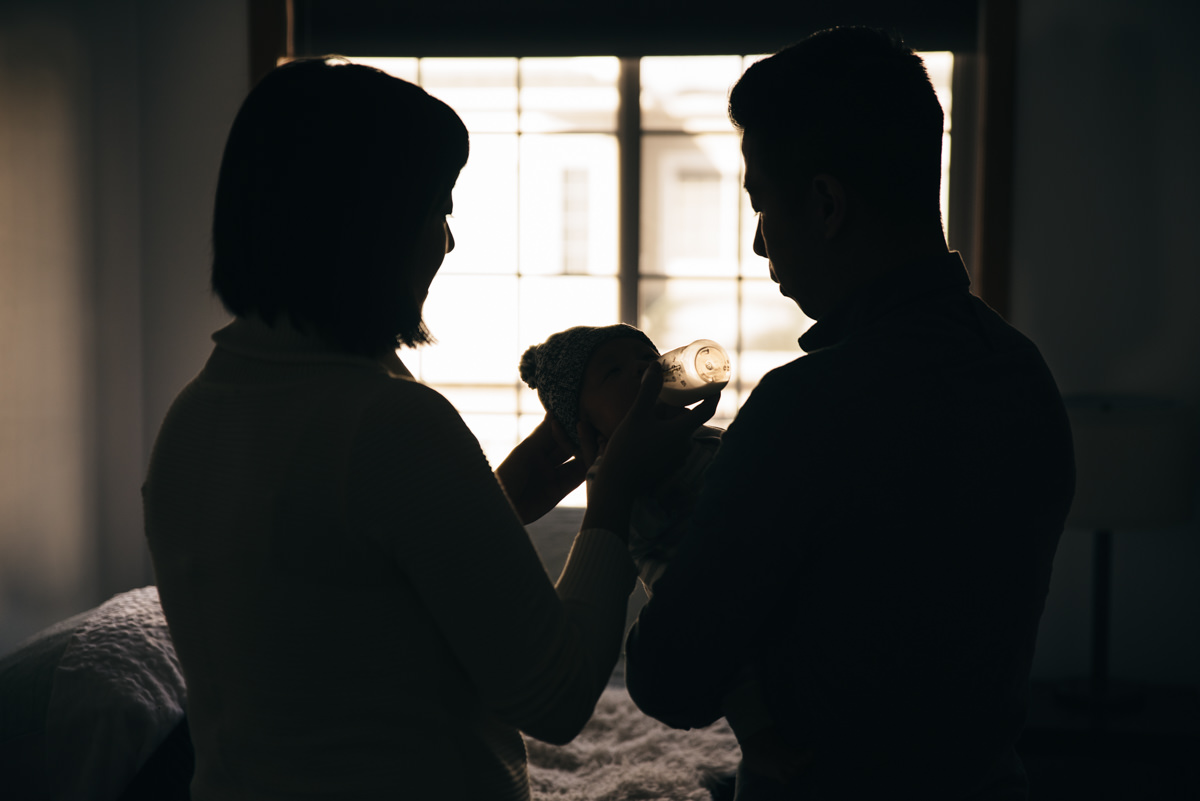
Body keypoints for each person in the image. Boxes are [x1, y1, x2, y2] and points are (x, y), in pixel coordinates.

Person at [142, 58, 715, 801]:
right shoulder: (386, 422)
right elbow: (558, 694)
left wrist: (498, 499)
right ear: (370, 226)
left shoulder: (196, 416)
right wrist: (614, 488)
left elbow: (343, 615)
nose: (447, 242)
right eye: (436, 209)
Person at [623, 27, 1076, 800]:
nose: (762, 242)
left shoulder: (809, 403)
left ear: (827, 204)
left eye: (763, 205)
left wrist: (625, 497)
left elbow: (672, 680)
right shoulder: (1022, 372)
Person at [519, 323, 724, 593]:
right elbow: (633, 534)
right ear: (586, 425)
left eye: (649, 359)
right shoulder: (609, 472)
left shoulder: (701, 432)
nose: (644, 369)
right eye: (613, 371)